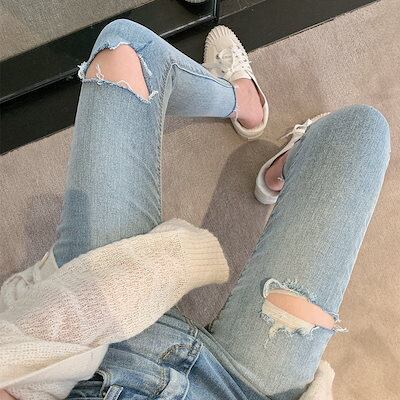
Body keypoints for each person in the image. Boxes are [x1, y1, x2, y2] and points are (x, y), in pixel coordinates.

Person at [0, 20, 390, 400]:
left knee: (126, 51)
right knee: (359, 134)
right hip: (246, 388)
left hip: (100, 348)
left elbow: (18, 374)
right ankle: (286, 163)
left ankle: (243, 101)